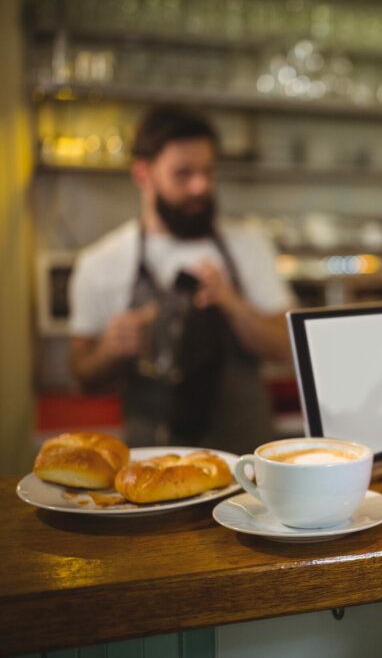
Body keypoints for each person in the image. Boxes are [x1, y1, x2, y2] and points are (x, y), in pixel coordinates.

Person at [68, 105, 294, 456]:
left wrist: (234, 306)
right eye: (183, 174)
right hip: (152, 466)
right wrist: (109, 348)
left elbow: (287, 348)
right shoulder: (101, 263)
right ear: (143, 173)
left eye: (207, 171)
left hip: (248, 465)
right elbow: (82, 375)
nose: (200, 186)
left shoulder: (248, 246)